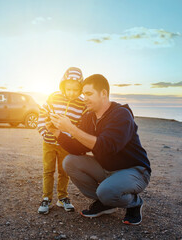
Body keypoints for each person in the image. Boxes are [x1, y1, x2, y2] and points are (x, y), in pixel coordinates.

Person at [48, 74, 151, 225]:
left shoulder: (121, 114)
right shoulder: (89, 117)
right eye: (83, 94)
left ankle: (135, 203)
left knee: (106, 191)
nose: (84, 98)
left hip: (134, 170)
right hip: (107, 169)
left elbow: (107, 146)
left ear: (103, 94)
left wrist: (71, 128)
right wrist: (56, 132)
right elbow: (78, 148)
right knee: (70, 161)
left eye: (89, 94)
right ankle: (105, 202)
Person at [37, 67, 86, 214]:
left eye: (75, 90)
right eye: (69, 89)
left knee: (64, 172)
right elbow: (43, 112)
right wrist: (43, 131)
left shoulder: (81, 105)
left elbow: (80, 124)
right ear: (63, 85)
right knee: (48, 170)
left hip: (66, 144)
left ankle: (62, 197)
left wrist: (72, 137)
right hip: (49, 142)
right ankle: (46, 198)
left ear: (80, 89)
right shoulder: (54, 97)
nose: (71, 93)